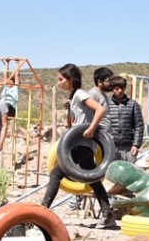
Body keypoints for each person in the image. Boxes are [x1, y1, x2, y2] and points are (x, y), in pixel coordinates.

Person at [41, 64, 117, 229]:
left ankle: (42, 211)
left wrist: (90, 129)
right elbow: (75, 124)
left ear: (70, 79)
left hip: (82, 144)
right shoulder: (73, 96)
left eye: (61, 79)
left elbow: (100, 109)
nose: (58, 82)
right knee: (94, 179)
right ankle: (108, 214)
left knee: (56, 173)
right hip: (80, 144)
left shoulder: (81, 93)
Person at [105, 75, 144, 163]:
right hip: (111, 147)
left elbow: (139, 125)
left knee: (128, 173)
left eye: (122, 88)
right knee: (113, 174)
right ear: (112, 89)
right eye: (117, 88)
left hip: (129, 148)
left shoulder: (133, 104)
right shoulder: (106, 104)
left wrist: (136, 144)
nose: (120, 91)